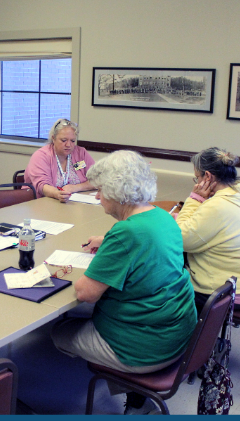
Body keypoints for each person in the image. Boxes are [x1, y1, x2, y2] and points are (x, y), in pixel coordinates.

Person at [51, 150, 197, 415]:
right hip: (177, 334)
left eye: (101, 191)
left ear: (118, 191)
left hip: (143, 349)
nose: (97, 196)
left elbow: (85, 292)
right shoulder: (163, 217)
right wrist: (109, 243)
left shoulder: (125, 233)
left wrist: (109, 248)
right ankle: (137, 398)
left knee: (58, 332)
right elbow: (144, 244)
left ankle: (131, 387)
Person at [176, 147, 240, 312]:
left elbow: (179, 239)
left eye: (197, 178)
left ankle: (187, 335)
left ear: (208, 176)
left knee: (169, 286)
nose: (197, 183)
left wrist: (195, 199)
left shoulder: (217, 206)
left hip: (236, 293)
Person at [24, 119, 95, 203]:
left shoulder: (80, 153)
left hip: (73, 204)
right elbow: (42, 186)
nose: (68, 145)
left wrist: (76, 187)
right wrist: (57, 194)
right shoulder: (41, 156)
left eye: (72, 141)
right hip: (42, 204)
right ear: (53, 138)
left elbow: (98, 179)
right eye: (64, 140)